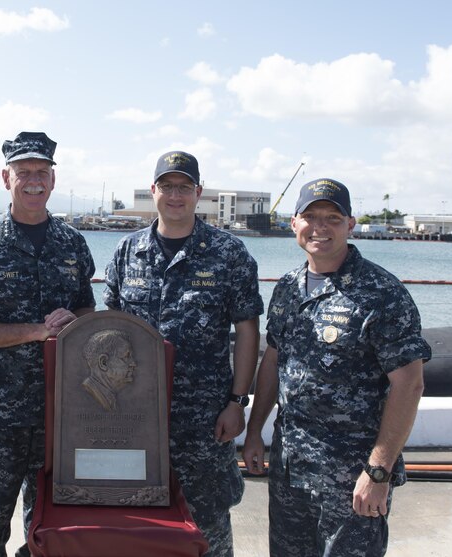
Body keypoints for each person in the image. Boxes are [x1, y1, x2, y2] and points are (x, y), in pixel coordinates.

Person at [242, 178, 431, 556]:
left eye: (332, 217)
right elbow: (273, 360)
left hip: (352, 477)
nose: (320, 227)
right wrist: (254, 432)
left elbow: (409, 384)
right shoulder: (287, 288)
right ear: (294, 223)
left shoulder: (381, 292)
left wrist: (378, 472)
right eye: (310, 216)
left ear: (350, 224)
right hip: (290, 471)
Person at [103, 150, 263, 556]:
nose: (175, 195)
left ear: (199, 193)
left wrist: (236, 402)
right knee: (137, 526)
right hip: (135, 419)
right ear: (153, 190)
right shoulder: (126, 252)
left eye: (184, 187)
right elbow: (111, 328)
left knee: (207, 529)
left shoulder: (228, 253)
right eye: (167, 186)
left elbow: (247, 331)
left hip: (203, 422)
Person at [0, 131, 96, 557]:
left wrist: (75, 322)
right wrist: (35, 331)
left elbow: (86, 309)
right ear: (6, 178)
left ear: (53, 180)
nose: (34, 181)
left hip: (59, 415)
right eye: (24, 172)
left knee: (49, 529)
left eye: (42, 172)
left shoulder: (72, 244)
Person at [81, 329, 136, 412]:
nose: (133, 364)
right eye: (126, 357)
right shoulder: (89, 392)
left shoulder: (110, 398)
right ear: (103, 363)